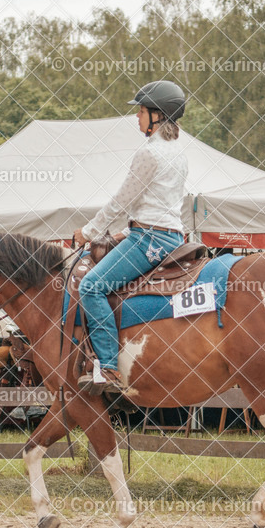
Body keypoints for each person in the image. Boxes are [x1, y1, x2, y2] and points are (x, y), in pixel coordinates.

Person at [72, 80, 189, 395]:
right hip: (167, 235)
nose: (137, 117)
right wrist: (123, 233)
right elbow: (158, 204)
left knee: (91, 286)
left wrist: (88, 232)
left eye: (141, 111)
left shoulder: (150, 153)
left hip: (150, 241)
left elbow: (120, 201)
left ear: (157, 115)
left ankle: (108, 368)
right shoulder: (178, 151)